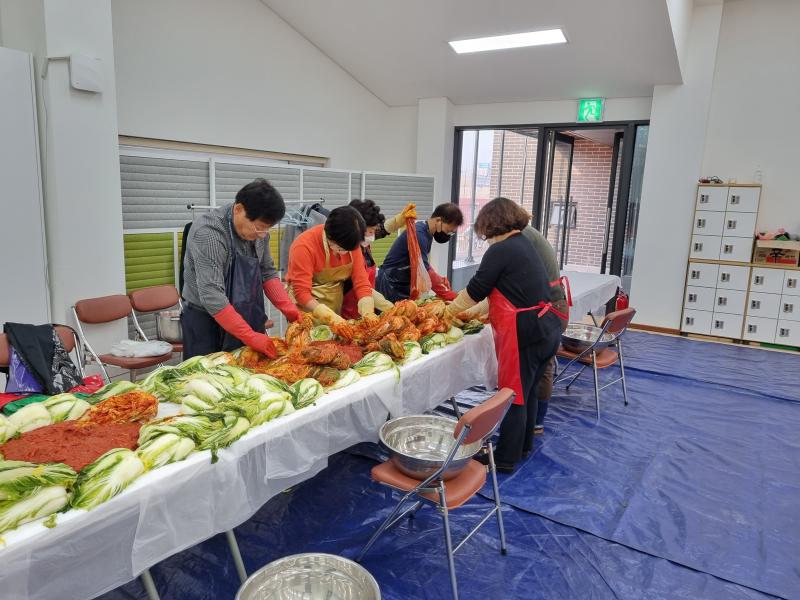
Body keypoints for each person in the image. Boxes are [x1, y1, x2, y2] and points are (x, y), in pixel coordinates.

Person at [446, 197, 563, 472]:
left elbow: (476, 288)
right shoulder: (523, 243)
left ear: (491, 223)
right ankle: (523, 447)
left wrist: (447, 312)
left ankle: (505, 458)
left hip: (526, 332)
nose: (484, 237)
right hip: (546, 328)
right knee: (530, 390)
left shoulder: (501, 250)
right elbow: (505, 289)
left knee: (513, 395)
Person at [181, 178, 299, 359]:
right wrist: (251, 337)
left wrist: (289, 308)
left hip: (246, 313)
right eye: (259, 228)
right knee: (211, 379)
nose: (262, 235)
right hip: (207, 321)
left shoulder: (260, 233)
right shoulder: (210, 233)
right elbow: (212, 296)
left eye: (267, 229)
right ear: (238, 210)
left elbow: (266, 271)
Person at [286, 205, 377, 325]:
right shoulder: (303, 247)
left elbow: (361, 281)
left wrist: (367, 306)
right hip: (305, 309)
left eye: (349, 250)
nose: (345, 253)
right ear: (330, 238)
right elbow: (301, 292)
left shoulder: (351, 241)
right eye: (341, 249)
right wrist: (324, 313)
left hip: (334, 304)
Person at [340, 199, 416, 319]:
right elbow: (360, 286)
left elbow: (381, 230)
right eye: (370, 231)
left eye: (373, 231)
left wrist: (398, 220)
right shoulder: (346, 252)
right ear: (357, 229)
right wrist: (389, 307)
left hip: (368, 306)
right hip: (350, 313)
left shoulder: (363, 242)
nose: (372, 235)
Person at [375, 203, 463, 301]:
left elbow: (423, 263)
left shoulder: (427, 232)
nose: (447, 235)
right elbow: (424, 271)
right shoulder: (419, 234)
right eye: (448, 231)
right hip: (389, 284)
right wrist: (449, 295)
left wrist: (439, 279)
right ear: (438, 220)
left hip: (400, 283)